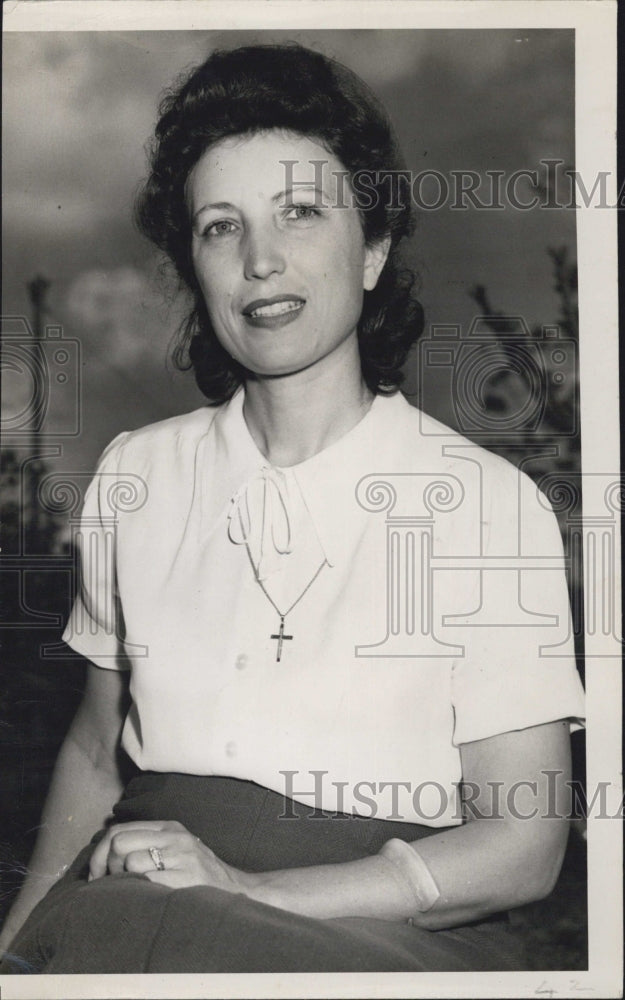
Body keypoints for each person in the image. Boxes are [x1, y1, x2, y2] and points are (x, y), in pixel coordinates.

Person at [0, 43, 585, 974]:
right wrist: (17, 952)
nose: (261, 262)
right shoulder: (135, 477)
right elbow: (96, 753)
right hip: (133, 914)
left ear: (374, 250)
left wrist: (252, 890)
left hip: (381, 938)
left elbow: (522, 847)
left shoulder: (485, 503)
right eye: (220, 228)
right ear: (193, 266)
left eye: (301, 213)